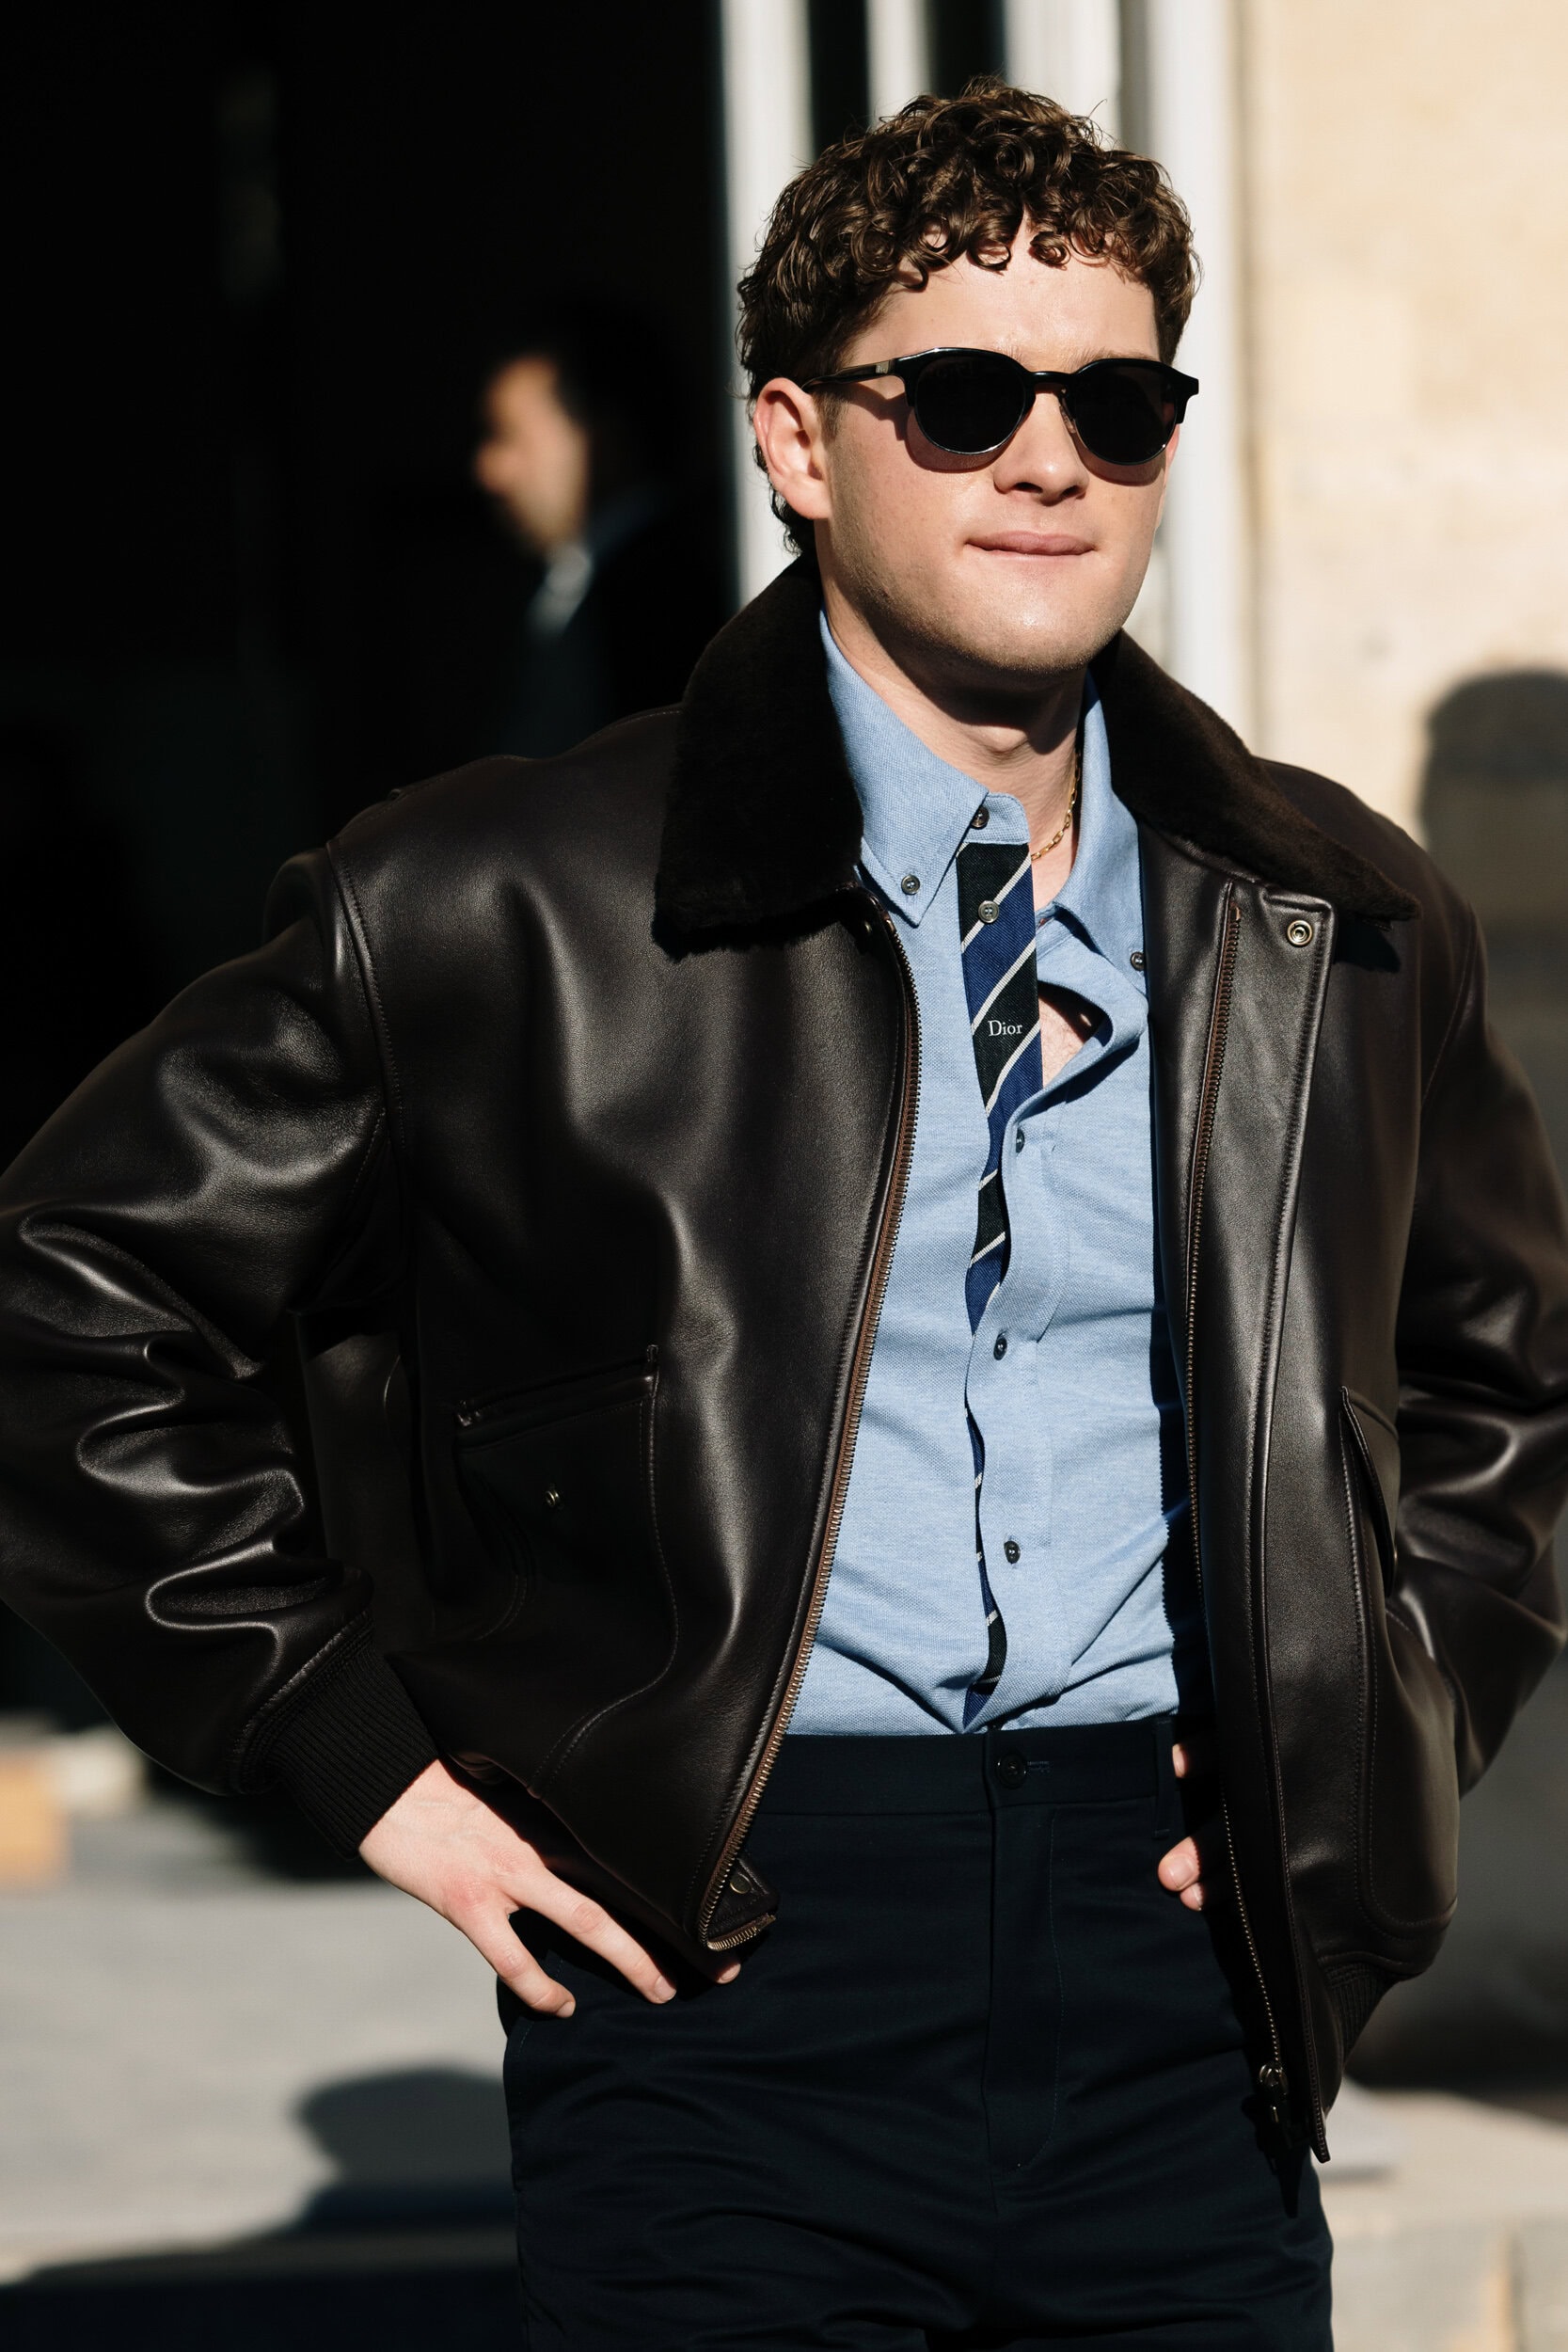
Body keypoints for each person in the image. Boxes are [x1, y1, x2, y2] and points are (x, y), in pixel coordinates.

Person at [0, 81, 1564, 2349]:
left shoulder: (1333, 908)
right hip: (724, 1963)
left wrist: (1373, 1714)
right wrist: (354, 1748)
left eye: (1116, 406)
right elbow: (72, 1289)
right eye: (962, 399)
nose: (1048, 461)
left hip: (1186, 1970)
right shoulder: (499, 898)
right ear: (798, 443)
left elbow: (1501, 1376)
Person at [472, 300, 725, 755]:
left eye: (510, 435)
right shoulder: (589, 580)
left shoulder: (660, 597)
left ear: (603, 436)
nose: (489, 469)